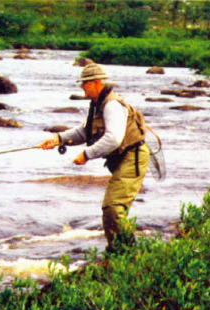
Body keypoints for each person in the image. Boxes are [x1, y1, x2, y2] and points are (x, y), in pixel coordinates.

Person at [40, 63, 150, 253]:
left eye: (84, 83)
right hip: (124, 159)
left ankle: (126, 255)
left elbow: (113, 139)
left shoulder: (112, 105)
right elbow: (84, 132)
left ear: (96, 83)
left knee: (113, 208)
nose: (81, 87)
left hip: (133, 157)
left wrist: (86, 155)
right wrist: (58, 139)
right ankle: (123, 254)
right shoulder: (98, 104)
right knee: (114, 209)